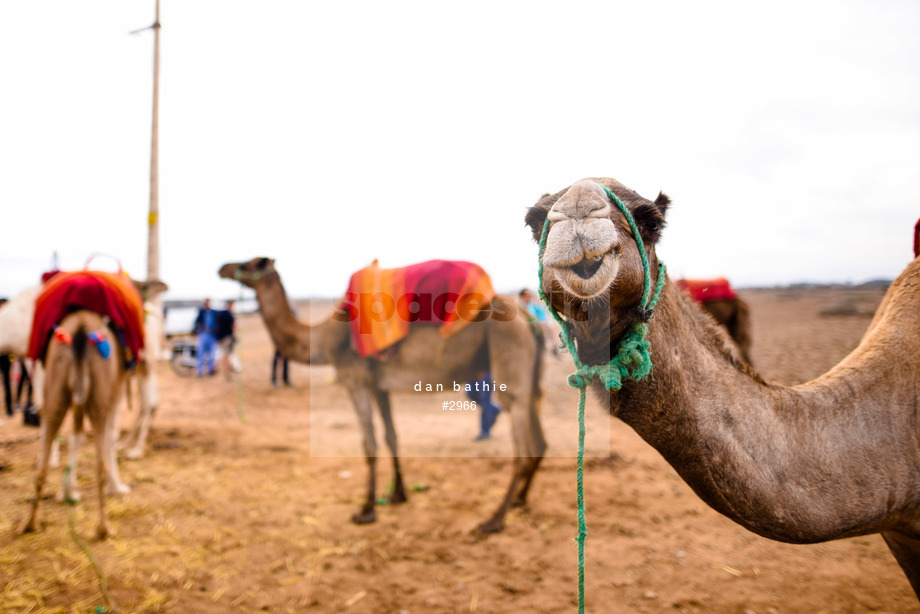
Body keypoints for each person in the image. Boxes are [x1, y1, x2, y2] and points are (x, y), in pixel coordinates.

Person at [519, 288, 559, 356]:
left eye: (529, 294)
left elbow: (539, 314)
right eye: (526, 295)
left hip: (541, 322)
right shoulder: (523, 306)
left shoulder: (532, 304)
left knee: (549, 332)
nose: (529, 296)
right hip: (536, 324)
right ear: (522, 296)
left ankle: (552, 347)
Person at [468, 372, 501, 441]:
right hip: (472, 370)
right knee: (470, 392)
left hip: (486, 371)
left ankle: (485, 431)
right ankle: (494, 409)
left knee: (484, 399)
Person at [192, 298, 218, 377]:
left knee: (212, 354)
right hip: (203, 334)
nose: (207, 304)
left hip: (212, 335)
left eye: (208, 302)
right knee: (201, 353)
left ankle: (210, 370)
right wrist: (195, 330)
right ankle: (199, 371)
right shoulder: (202, 312)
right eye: (206, 303)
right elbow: (196, 322)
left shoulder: (214, 312)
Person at [214, 300, 237, 380]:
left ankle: (225, 369)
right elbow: (233, 326)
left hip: (219, 338)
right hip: (226, 338)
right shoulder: (228, 314)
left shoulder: (218, 314)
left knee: (223, 355)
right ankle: (228, 374)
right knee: (226, 356)